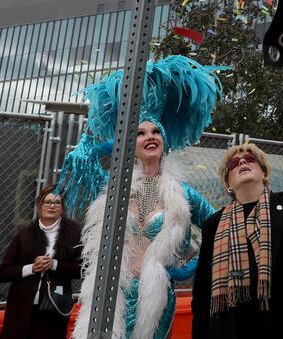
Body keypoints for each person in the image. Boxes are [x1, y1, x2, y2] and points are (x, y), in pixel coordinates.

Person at [59, 56, 223, 339]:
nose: (151, 136)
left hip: (155, 295)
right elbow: (84, 154)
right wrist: (117, 141)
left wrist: (186, 270)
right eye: (140, 133)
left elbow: (220, 226)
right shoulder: (114, 190)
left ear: (165, 139)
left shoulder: (183, 195)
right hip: (112, 292)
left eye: (156, 131)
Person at [192, 142, 283, 338]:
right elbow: (202, 294)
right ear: (228, 183)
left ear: (264, 173)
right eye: (234, 164)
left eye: (250, 159)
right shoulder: (213, 224)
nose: (242, 162)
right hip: (229, 329)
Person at [0, 186, 82, 339]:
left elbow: (81, 270)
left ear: (63, 208)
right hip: (21, 305)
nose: (52, 206)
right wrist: (32, 268)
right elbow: (4, 272)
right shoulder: (24, 234)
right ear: (39, 206)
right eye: (47, 202)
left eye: (57, 203)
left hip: (54, 306)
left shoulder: (74, 234)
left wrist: (54, 265)